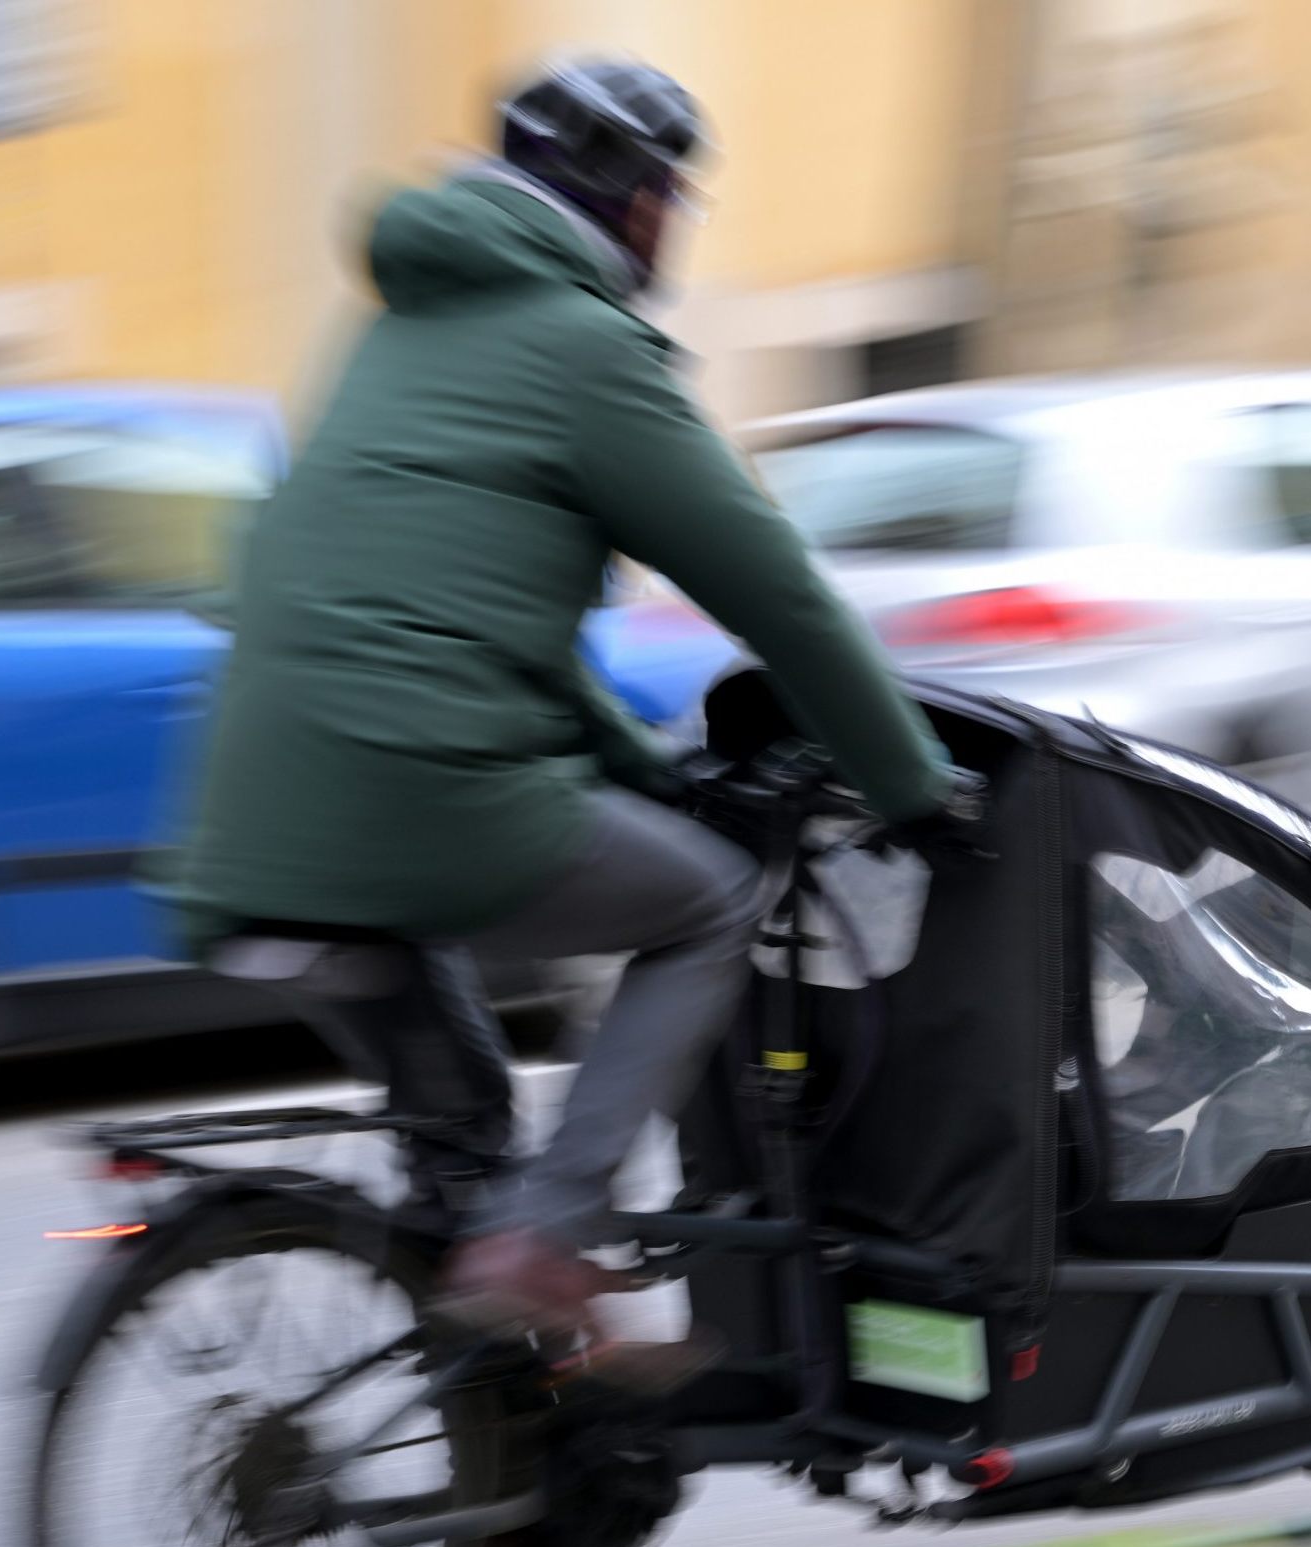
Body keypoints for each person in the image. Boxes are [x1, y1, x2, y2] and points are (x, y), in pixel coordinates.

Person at [173, 60, 961, 1352]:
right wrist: (911, 783)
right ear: (634, 197)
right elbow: (777, 596)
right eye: (672, 196)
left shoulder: (394, 329)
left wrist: (631, 766)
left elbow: (447, 619)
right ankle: (553, 1235)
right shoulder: (583, 346)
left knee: (464, 1137)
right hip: (413, 786)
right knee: (709, 899)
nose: (675, 226)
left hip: (254, 808)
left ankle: (493, 1441)